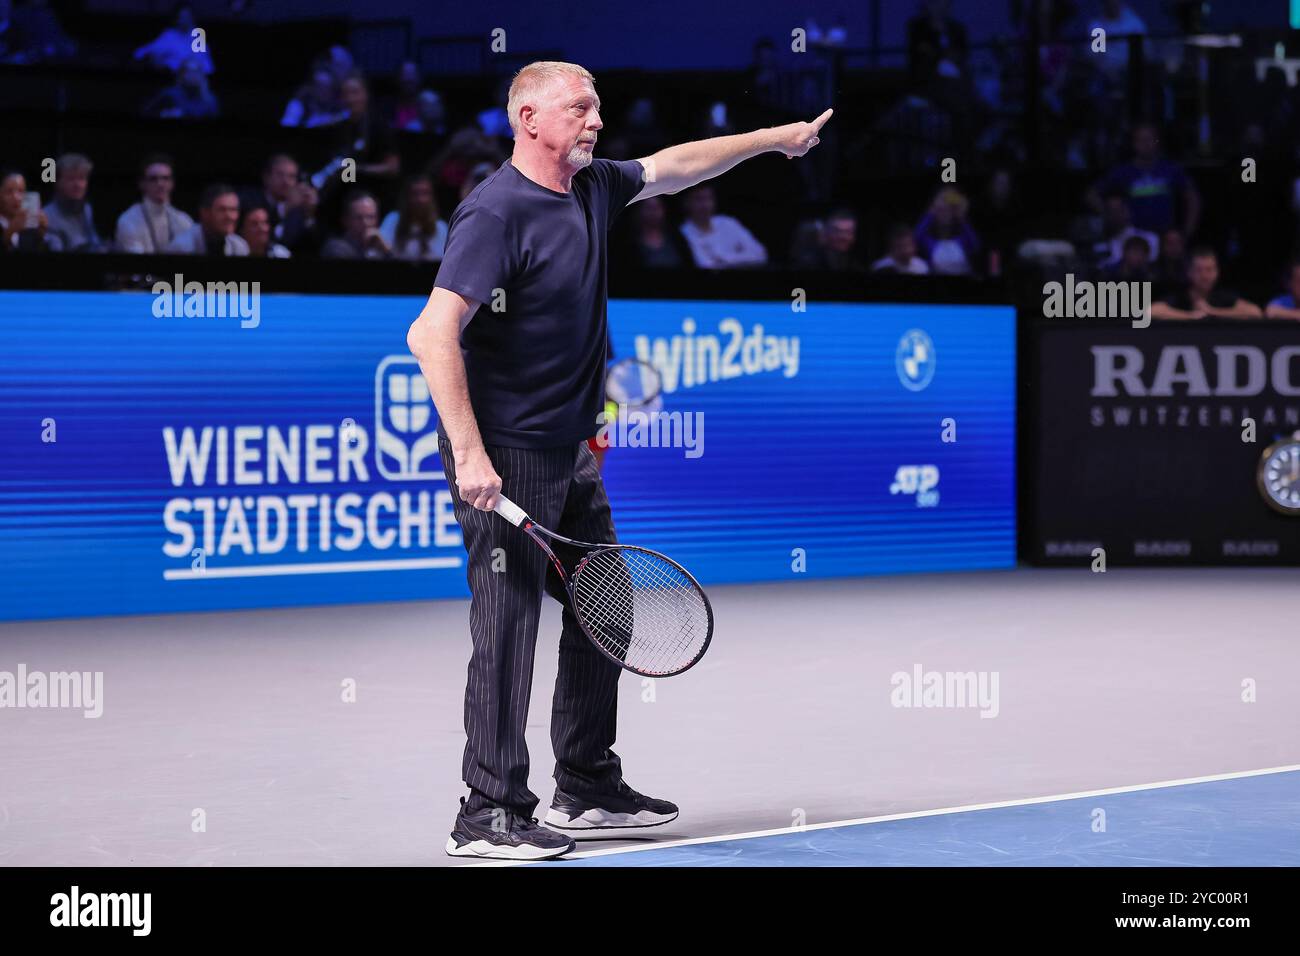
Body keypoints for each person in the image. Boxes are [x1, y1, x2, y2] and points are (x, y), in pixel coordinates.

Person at [405, 59, 830, 861]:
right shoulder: (494, 213)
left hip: (568, 446)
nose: (596, 119)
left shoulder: (594, 187)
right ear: (529, 119)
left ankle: (586, 785)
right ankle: (487, 811)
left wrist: (776, 140)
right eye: (579, 107)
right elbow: (431, 334)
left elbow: (678, 165)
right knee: (509, 625)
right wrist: (468, 452)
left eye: (597, 106)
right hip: (507, 453)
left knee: (609, 607)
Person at [1150, 247, 1261, 319]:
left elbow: (1255, 312)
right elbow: (1151, 311)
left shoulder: (1222, 296)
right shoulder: (1180, 295)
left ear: (1217, 272)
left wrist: (1212, 311)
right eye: (1199, 270)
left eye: (1209, 270)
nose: (1204, 276)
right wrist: (1190, 316)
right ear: (1189, 273)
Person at [240, 154, 319, 255]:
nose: (286, 182)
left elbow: (309, 248)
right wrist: (285, 208)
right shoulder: (249, 200)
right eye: (280, 175)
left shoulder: (298, 211)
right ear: (266, 177)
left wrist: (309, 215)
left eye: (291, 176)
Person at [114, 154, 193, 253]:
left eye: (165, 178)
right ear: (142, 184)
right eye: (153, 179)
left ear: (172, 183)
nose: (160, 184)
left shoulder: (184, 221)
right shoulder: (128, 220)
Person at [679, 183, 768, 268]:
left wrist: (724, 258)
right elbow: (706, 265)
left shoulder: (728, 223)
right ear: (687, 202)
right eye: (699, 199)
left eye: (709, 198)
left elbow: (760, 254)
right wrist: (740, 255)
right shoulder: (684, 232)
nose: (705, 205)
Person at [44, 153, 106, 252]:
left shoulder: (86, 208)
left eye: (82, 178)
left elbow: (95, 244)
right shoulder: (47, 216)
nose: (78, 185)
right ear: (58, 183)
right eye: (71, 179)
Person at [165, 183, 248, 255]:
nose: (229, 216)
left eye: (233, 210)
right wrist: (180, 274)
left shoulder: (239, 246)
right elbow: (177, 273)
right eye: (222, 210)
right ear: (205, 212)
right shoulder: (181, 247)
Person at [378, 174, 447, 261]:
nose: (420, 200)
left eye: (425, 193)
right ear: (407, 197)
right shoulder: (393, 220)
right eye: (415, 194)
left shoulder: (440, 227)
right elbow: (380, 255)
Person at [914, 186, 979, 275]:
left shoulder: (962, 239)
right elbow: (916, 237)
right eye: (942, 210)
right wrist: (932, 212)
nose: (945, 213)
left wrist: (961, 217)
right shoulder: (930, 242)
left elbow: (975, 245)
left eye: (949, 210)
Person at [319, 190, 391, 259]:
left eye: (371, 217)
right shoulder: (335, 248)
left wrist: (387, 251)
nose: (366, 223)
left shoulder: (379, 247)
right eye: (358, 218)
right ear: (345, 220)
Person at [0, 169, 50, 252]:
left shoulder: (29, 227)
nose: (16, 197)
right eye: (9, 192)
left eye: (21, 191)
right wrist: (8, 234)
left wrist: (41, 235)